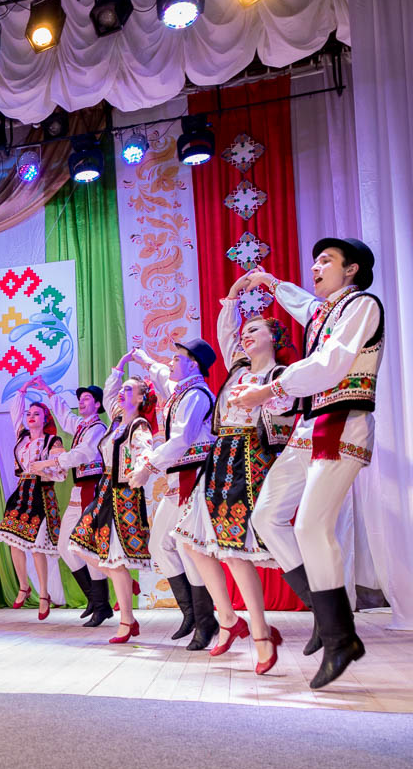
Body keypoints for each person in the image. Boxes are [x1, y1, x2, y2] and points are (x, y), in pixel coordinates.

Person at [232, 237, 382, 689]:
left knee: (310, 525)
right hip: (310, 426)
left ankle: (341, 638)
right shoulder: (323, 312)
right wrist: (269, 281)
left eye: (326, 260)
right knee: (266, 516)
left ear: (351, 269)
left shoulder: (361, 306)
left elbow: (330, 362)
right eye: (314, 260)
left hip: (342, 423)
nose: (315, 266)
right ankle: (324, 613)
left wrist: (270, 389)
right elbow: (301, 303)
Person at [172, 275, 295, 674]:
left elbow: (283, 414)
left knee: (234, 550)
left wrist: (265, 397)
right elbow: (227, 332)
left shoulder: (279, 376)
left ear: (274, 337)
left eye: (255, 329)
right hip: (219, 457)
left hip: (249, 458)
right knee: (190, 540)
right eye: (245, 330)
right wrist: (233, 296)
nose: (246, 335)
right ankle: (228, 619)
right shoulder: (238, 368)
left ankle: (260, 632)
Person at [129, 340, 218, 649]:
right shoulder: (182, 391)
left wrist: (147, 467)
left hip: (195, 476)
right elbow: (160, 374)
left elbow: (182, 439)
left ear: (194, 364)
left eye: (177, 359)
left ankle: (205, 621)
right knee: (159, 544)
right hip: (179, 477)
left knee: (187, 545)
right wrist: (143, 359)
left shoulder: (196, 395)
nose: (171, 363)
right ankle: (191, 613)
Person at [68, 355, 158, 644]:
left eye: (129, 389)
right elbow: (109, 394)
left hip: (124, 496)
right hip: (105, 491)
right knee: (78, 544)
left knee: (115, 557)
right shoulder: (118, 420)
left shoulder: (139, 426)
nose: (122, 392)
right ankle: (123, 582)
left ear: (141, 398)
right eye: (123, 388)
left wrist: (142, 468)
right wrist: (119, 367)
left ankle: (127, 620)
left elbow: (145, 451)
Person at [29, 377, 113, 626]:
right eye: (80, 399)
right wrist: (48, 390)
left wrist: (52, 462)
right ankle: (95, 600)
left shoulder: (97, 428)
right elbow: (65, 416)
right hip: (79, 490)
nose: (81, 402)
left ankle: (101, 605)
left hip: (93, 490)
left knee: (89, 546)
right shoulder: (81, 426)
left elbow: (83, 453)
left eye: (87, 398)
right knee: (65, 546)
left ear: (97, 404)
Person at [0, 384, 66, 620]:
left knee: (36, 547)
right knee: (13, 540)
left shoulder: (52, 441)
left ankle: (44, 594)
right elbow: (16, 411)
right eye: (29, 413)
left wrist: (43, 469)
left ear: (45, 418)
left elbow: (61, 470)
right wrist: (23, 390)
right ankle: (24, 586)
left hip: (41, 493)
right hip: (22, 492)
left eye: (37, 413)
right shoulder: (22, 438)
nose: (31, 416)